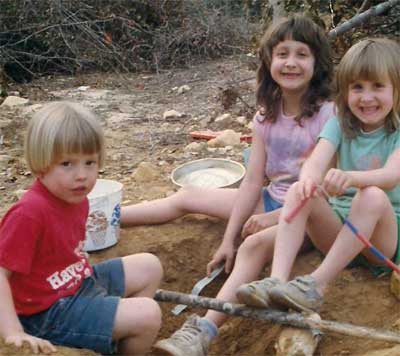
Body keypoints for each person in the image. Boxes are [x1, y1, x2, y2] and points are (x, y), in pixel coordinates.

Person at [151, 15, 335, 356]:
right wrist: (227, 238)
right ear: (268, 60)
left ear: (317, 62)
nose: (290, 62)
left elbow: (324, 191)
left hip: (307, 218)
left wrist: (273, 219)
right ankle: (105, 215)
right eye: (282, 53)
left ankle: (202, 331)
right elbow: (252, 181)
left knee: (253, 247)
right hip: (271, 200)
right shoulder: (266, 114)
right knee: (188, 197)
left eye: (301, 54)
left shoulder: (329, 115)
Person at [238, 37, 400, 315]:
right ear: (345, 91)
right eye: (357, 87)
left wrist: (350, 178)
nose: (366, 97)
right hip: (338, 233)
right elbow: (316, 160)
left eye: (377, 87)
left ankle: (316, 284)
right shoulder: (339, 123)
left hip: (381, 241)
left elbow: (390, 175)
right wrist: (309, 181)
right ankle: (276, 280)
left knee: (371, 195)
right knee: (300, 189)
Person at [0, 102, 163, 355]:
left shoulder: (76, 198)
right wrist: (13, 331)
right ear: (40, 165)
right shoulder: (29, 214)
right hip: (45, 312)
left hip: (76, 283)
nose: (82, 175)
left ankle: (112, 331)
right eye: (67, 163)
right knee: (148, 314)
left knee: (149, 266)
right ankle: (122, 331)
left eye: (90, 162)